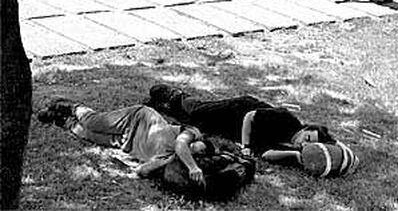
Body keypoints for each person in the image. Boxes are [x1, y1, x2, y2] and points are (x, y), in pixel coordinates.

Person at [148, 85, 336, 164]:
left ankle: (165, 107)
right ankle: (173, 94)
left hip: (233, 128)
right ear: (306, 128)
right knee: (198, 110)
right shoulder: (286, 120)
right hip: (237, 110)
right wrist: (246, 146)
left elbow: (265, 153)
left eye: (308, 144)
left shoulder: (289, 144)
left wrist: (295, 154)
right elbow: (250, 116)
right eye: (308, 138)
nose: (304, 144)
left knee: (196, 124)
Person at [38, 98, 208, 185]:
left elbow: (141, 171)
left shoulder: (167, 161)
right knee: (93, 122)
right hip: (136, 119)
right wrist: (193, 167)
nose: (194, 148)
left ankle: (62, 120)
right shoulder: (190, 133)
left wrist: (170, 161)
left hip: (126, 142)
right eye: (197, 146)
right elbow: (181, 145)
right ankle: (71, 107)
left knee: (85, 133)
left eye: (197, 153)